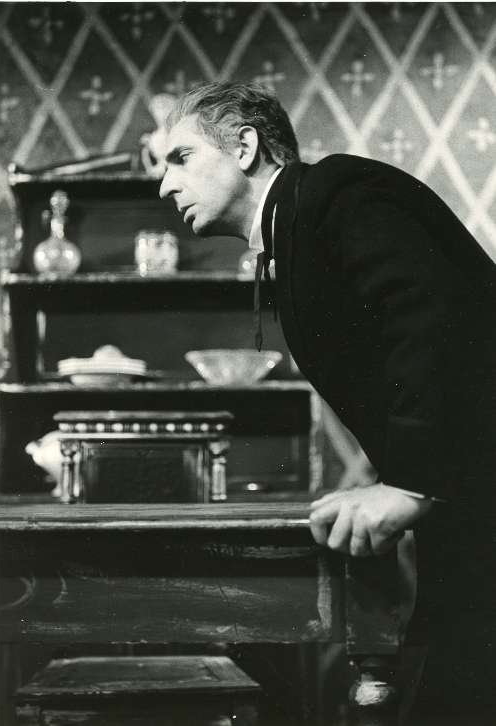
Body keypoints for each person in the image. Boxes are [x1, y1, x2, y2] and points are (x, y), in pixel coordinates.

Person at [158, 81, 495, 710]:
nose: (164, 185)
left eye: (180, 157)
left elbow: (435, 319)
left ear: (244, 148)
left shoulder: (337, 193)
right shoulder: (296, 227)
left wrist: (410, 485)